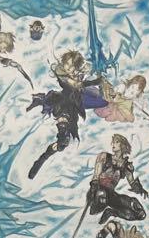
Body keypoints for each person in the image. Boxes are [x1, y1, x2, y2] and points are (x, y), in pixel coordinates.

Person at [25, 51, 105, 179]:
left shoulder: (77, 73)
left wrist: (95, 76)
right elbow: (77, 85)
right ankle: (41, 160)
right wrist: (96, 81)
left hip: (74, 104)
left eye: (72, 65)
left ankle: (43, 157)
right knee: (63, 129)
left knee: (63, 144)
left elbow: (85, 79)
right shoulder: (63, 74)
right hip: (63, 102)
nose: (69, 67)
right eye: (67, 64)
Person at [85, 134, 148, 225]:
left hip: (111, 195)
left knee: (139, 211)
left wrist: (139, 188)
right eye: (113, 142)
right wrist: (94, 187)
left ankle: (111, 212)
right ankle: (97, 223)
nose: (113, 144)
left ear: (123, 145)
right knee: (101, 194)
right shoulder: (104, 157)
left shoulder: (126, 166)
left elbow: (132, 182)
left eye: (116, 142)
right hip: (97, 191)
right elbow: (96, 175)